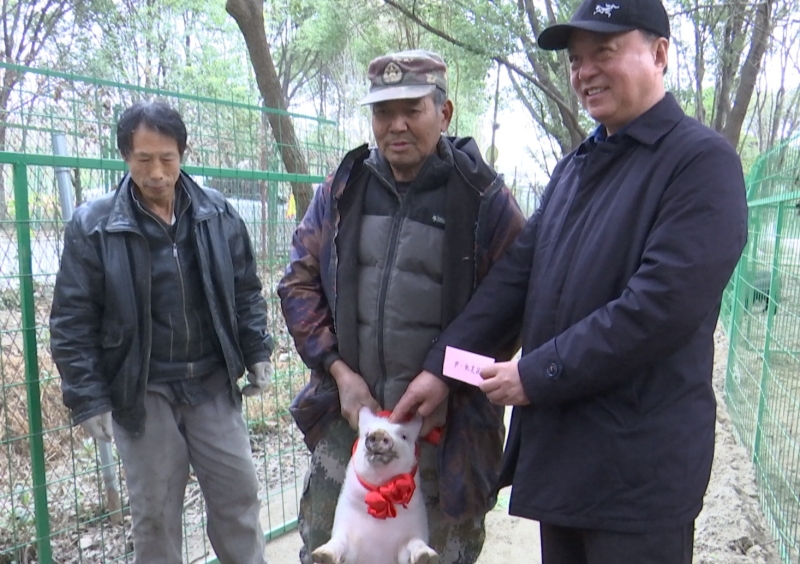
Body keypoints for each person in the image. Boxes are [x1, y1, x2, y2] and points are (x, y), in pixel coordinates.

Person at [392, 1, 749, 563]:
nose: (585, 72)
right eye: (576, 60)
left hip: (638, 479)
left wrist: (536, 374)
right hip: (564, 464)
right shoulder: (576, 167)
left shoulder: (700, 164)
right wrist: (442, 368)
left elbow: (659, 308)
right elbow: (515, 278)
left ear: (659, 53)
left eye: (604, 51)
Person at [277, 50, 526, 564]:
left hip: (448, 432)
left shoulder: (484, 200)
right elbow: (298, 281)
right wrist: (338, 370)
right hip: (351, 421)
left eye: (412, 110)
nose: (396, 126)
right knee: (328, 551)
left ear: (445, 112)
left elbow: (512, 308)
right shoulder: (343, 189)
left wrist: (447, 376)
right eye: (383, 112)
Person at [50, 101, 274, 564]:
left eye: (167, 158)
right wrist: (88, 397)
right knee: (154, 515)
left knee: (238, 498)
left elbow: (245, 289)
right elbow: (72, 321)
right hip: (143, 389)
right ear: (125, 156)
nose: (156, 172)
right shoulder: (94, 227)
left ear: (182, 153)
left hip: (211, 382)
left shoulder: (217, 213)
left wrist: (257, 349)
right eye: (144, 159)